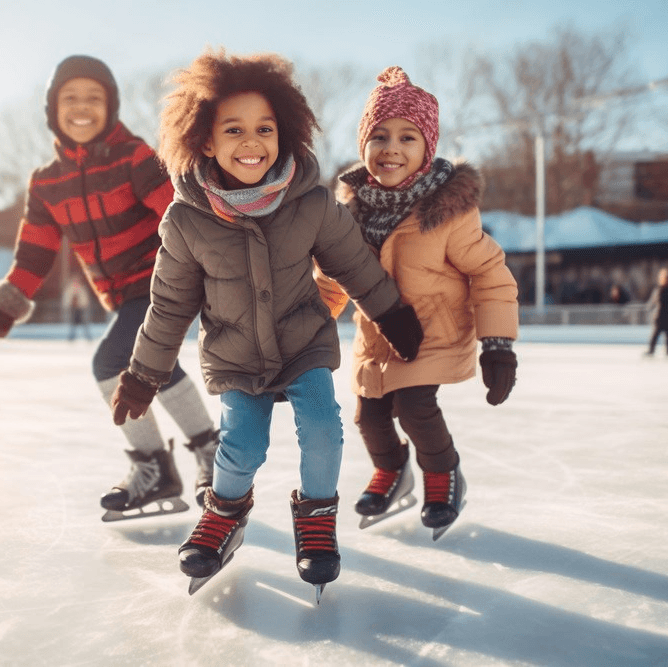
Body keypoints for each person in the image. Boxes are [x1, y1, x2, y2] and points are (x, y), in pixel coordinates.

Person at [109, 50, 423, 594]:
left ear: (285, 133)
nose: (251, 142)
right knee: (241, 445)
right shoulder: (185, 221)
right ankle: (225, 513)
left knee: (324, 429)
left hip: (303, 341)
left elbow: (353, 264)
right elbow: (169, 306)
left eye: (264, 128)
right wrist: (143, 374)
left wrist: (392, 313)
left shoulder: (312, 203)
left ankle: (317, 518)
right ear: (205, 140)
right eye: (234, 129)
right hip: (236, 354)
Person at [0, 55, 220, 516]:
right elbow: (35, 252)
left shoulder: (134, 157)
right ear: (52, 110)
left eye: (94, 98)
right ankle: (205, 456)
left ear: (112, 106)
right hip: (122, 296)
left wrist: (222, 269)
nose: (82, 107)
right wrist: (3, 310)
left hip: (164, 281)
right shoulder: (47, 183)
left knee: (112, 362)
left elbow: (179, 214)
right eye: (70, 98)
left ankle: (159, 466)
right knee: (153, 368)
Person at [317, 67, 519, 538]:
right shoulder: (348, 215)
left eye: (408, 138)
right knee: (367, 416)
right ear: (363, 144)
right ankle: (393, 470)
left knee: (415, 407)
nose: (392, 148)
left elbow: (490, 273)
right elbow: (330, 284)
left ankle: (443, 473)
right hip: (377, 338)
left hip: (436, 333)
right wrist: (306, 326)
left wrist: (498, 344)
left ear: (427, 151)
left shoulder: (449, 214)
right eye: (380, 135)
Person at [645, 267, 668, 357]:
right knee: (655, 335)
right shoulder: (659, 290)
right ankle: (651, 350)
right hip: (659, 317)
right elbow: (653, 301)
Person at [62, 275, 92, 342]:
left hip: (80, 308)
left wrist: (81, 305)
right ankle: (72, 337)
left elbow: (84, 299)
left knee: (83, 323)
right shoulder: (70, 288)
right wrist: (69, 305)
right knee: (73, 323)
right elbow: (67, 298)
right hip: (73, 309)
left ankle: (87, 337)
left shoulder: (81, 288)